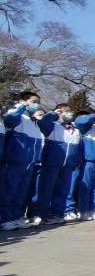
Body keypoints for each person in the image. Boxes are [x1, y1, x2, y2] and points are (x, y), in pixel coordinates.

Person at [0, 92, 45, 231]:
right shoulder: (17, 115)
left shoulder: (33, 123)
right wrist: (20, 106)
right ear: (23, 101)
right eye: (33, 101)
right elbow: (9, 120)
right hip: (15, 161)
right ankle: (5, 219)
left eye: (38, 102)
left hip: (29, 163)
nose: (36, 104)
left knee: (22, 192)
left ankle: (17, 217)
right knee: (9, 190)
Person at [36, 105, 83, 225]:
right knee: (46, 189)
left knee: (63, 190)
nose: (67, 113)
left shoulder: (76, 129)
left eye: (69, 111)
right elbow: (42, 123)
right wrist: (53, 113)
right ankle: (43, 214)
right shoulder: (53, 125)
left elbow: (79, 148)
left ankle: (58, 214)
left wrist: (77, 161)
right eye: (64, 111)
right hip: (52, 163)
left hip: (68, 165)